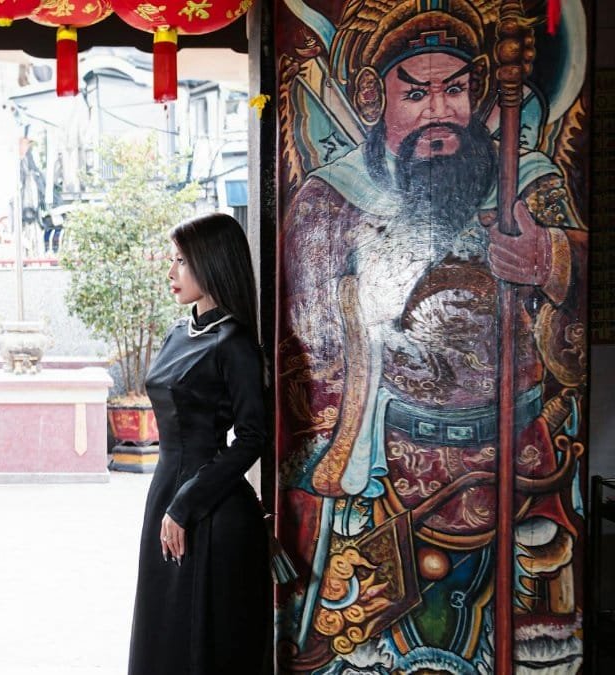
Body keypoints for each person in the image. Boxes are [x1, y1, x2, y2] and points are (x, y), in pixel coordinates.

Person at [278, 1, 586, 671]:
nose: (438, 110)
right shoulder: (331, 200)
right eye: (414, 92)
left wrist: (553, 259)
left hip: (521, 465)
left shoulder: (524, 183)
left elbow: (587, 268)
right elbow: (308, 353)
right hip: (384, 476)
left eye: (454, 88)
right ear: (372, 97)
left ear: (478, 92)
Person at [128, 213, 271, 674]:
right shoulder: (177, 335)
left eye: (182, 261)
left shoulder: (235, 342)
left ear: (211, 263)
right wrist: (172, 505)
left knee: (204, 644)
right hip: (166, 496)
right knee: (163, 632)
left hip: (212, 511)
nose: (171, 273)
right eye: (173, 260)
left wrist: (187, 504)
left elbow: (253, 436)